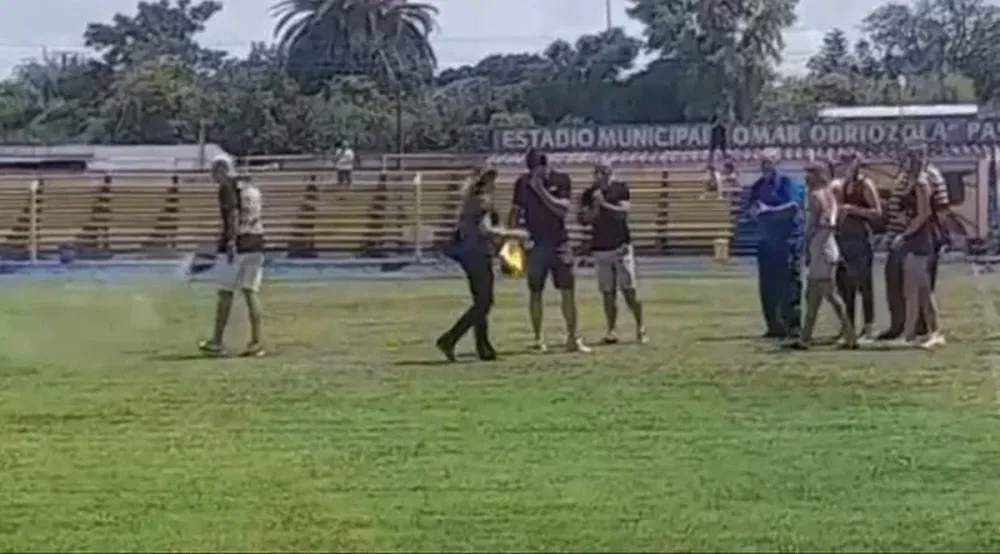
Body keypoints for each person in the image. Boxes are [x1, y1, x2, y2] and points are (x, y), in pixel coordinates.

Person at [436, 169, 527, 362]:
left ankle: (483, 347)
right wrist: (514, 234)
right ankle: (450, 338)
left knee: (481, 301)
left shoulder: (471, 200)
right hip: (477, 255)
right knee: (484, 302)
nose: (496, 185)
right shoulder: (482, 201)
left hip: (469, 255)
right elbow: (486, 230)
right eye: (493, 181)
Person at [508, 149, 590, 353]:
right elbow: (516, 212)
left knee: (567, 291)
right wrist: (513, 237)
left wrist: (541, 191)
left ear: (545, 166)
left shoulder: (561, 180)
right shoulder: (522, 183)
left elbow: (562, 210)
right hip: (535, 245)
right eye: (531, 171)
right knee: (535, 291)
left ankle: (572, 337)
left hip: (559, 243)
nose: (534, 175)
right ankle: (538, 338)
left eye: (538, 170)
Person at [877, 146, 949, 341]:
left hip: (920, 237)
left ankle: (920, 331)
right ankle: (918, 331)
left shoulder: (922, 182)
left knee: (918, 288)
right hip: (912, 236)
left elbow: (924, 213)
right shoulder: (910, 181)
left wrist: (905, 234)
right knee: (916, 288)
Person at [199, 155, 266, 357]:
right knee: (250, 291)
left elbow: (233, 214)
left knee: (225, 293)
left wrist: (230, 241)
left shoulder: (228, 188)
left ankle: (217, 342)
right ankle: (257, 342)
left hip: (237, 245)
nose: (213, 178)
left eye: (214, 173)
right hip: (257, 242)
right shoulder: (251, 187)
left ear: (222, 170)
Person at [785, 163, 856, 350]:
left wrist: (809, 243)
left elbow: (818, 223)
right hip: (825, 246)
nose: (806, 178)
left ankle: (850, 335)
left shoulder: (816, 196)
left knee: (830, 294)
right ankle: (805, 338)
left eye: (809, 174)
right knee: (813, 296)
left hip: (821, 248)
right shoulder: (828, 194)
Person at [580, 160, 647, 345]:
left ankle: (640, 327)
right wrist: (594, 207)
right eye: (596, 173)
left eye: (602, 172)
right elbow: (584, 219)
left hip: (620, 246)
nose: (599, 176)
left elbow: (623, 213)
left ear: (610, 173)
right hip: (600, 248)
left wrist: (604, 204)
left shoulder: (620, 189)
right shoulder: (588, 194)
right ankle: (611, 329)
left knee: (629, 290)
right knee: (607, 293)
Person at [746, 150, 804, 339]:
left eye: (769, 161)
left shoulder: (788, 183)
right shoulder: (758, 186)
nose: (765, 165)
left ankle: (793, 327)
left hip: (788, 241)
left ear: (777, 162)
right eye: (762, 162)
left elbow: (793, 207)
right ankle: (774, 326)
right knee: (768, 287)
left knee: (790, 285)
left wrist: (767, 211)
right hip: (766, 243)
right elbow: (751, 209)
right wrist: (754, 213)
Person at [832, 152, 881, 340]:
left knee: (864, 284)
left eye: (849, 162)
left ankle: (868, 327)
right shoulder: (843, 186)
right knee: (845, 284)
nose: (845, 166)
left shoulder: (865, 184)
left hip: (860, 238)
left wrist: (853, 210)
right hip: (844, 238)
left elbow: (877, 213)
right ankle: (848, 325)